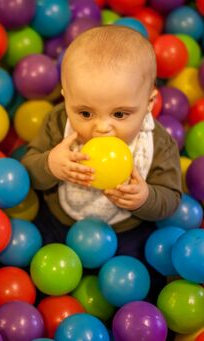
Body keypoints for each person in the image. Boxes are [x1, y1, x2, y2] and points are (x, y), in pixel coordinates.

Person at [21, 25, 182, 256]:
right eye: (85, 113)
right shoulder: (57, 123)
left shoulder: (158, 143)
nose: (102, 128)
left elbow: (171, 199)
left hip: (124, 230)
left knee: (142, 262)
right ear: (66, 99)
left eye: (119, 114)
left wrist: (144, 198)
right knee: (32, 251)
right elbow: (28, 173)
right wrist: (50, 165)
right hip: (59, 221)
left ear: (149, 103)